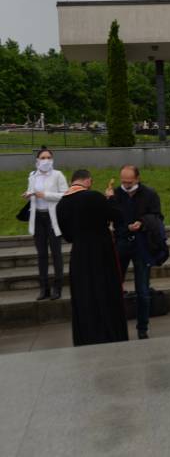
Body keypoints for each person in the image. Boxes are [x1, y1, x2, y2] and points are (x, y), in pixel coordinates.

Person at [56, 169, 128, 346]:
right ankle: (110, 334)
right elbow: (118, 216)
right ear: (88, 181)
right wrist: (111, 198)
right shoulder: (94, 197)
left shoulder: (61, 204)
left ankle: (86, 337)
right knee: (105, 293)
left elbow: (68, 236)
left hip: (79, 255)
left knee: (84, 297)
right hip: (101, 253)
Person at [106, 165, 162, 340]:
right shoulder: (114, 194)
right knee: (115, 287)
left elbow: (158, 217)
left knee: (143, 290)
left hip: (142, 245)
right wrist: (107, 201)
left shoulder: (149, 194)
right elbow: (109, 218)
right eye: (123, 181)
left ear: (137, 179)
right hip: (121, 244)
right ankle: (115, 326)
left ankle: (142, 328)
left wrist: (142, 223)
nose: (126, 185)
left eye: (129, 182)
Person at [23, 147, 68, 301]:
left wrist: (46, 195)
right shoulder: (32, 175)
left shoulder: (58, 175)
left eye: (48, 157)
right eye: (43, 157)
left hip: (52, 217)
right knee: (41, 254)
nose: (46, 160)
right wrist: (28, 195)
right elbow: (31, 191)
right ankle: (44, 288)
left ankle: (58, 287)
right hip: (38, 218)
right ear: (37, 160)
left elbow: (65, 195)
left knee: (56, 254)